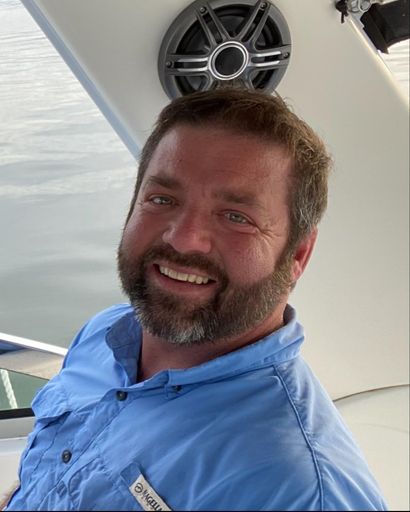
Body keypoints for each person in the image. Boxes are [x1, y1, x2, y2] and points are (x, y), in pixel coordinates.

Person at [6, 88, 387, 511]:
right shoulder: (104, 333)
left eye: (236, 217)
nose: (184, 238)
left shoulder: (299, 490)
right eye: (162, 200)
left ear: (298, 255)